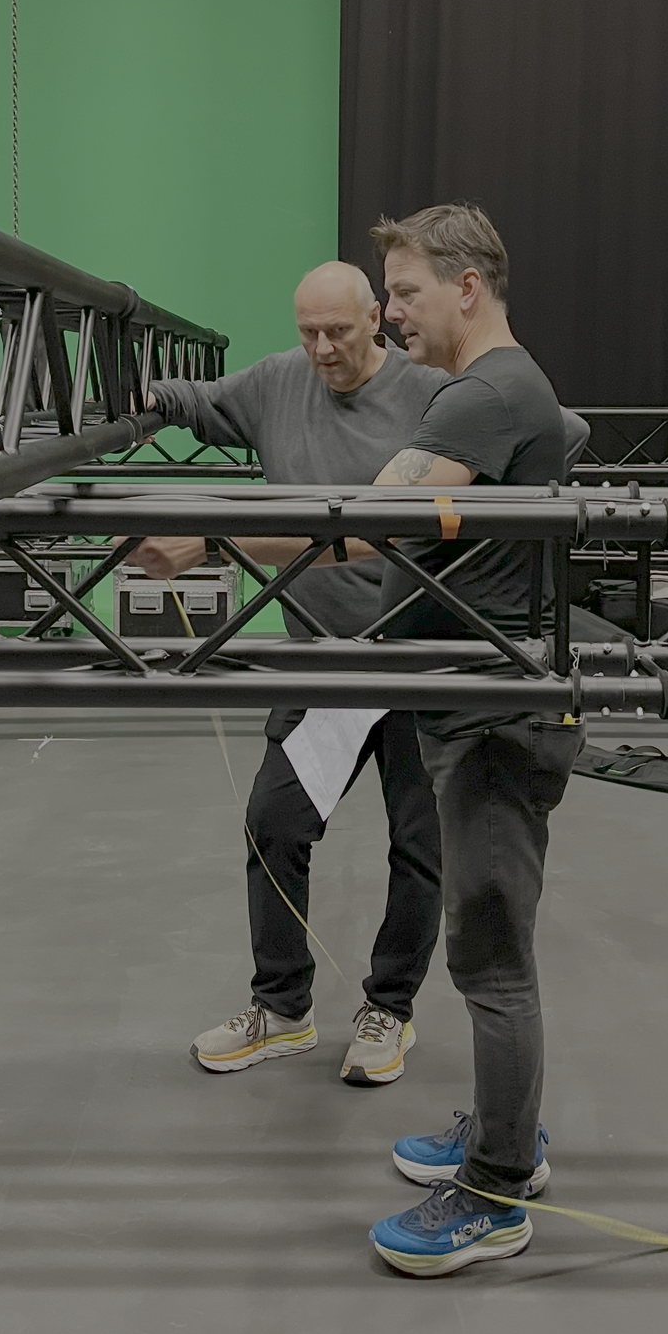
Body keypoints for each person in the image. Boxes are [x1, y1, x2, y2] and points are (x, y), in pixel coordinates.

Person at [134, 261, 448, 1086]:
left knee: (420, 844)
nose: (321, 349)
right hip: (320, 657)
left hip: (424, 653)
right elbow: (199, 402)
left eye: (337, 331)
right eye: (307, 332)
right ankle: (281, 1009)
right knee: (273, 826)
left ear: (374, 319)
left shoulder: (431, 394)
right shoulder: (278, 381)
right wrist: (142, 398)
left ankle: (390, 1008)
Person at [359, 203, 584, 1277]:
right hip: (476, 709)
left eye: (403, 291)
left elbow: (371, 518)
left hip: (495, 721)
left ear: (466, 286)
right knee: (487, 945)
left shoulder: (488, 393)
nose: (389, 312)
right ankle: (505, 1131)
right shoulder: (497, 392)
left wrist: (208, 540)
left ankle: (496, 1190)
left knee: (491, 957)